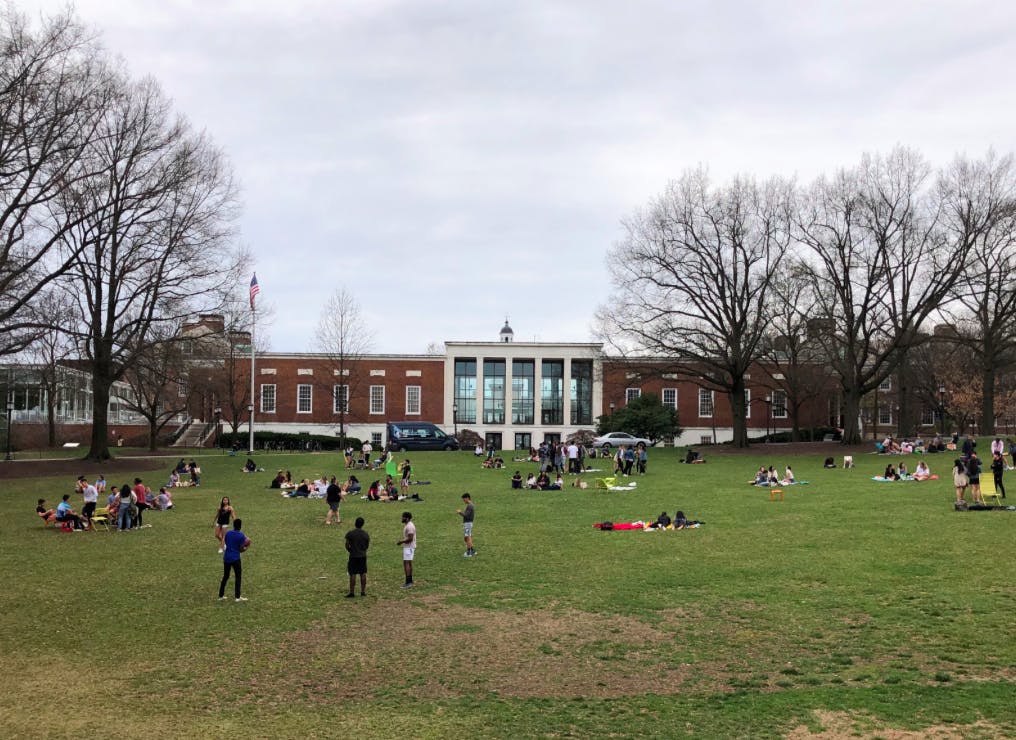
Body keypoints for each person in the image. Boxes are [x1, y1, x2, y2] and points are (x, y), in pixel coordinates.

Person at [218, 519, 250, 602]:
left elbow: (224, 542)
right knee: (238, 576)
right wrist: (247, 546)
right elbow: (241, 549)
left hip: (227, 558)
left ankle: (221, 595)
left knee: (225, 576)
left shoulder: (228, 533)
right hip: (235, 558)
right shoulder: (241, 536)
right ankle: (237, 597)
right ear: (240, 526)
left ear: (233, 525)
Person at [344, 516, 370, 598]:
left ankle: (352, 592)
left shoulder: (351, 533)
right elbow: (367, 545)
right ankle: (363, 591)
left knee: (353, 573)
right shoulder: (365, 534)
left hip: (353, 556)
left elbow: (347, 544)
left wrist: (350, 550)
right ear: (362, 524)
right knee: (363, 573)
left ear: (355, 523)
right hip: (362, 556)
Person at [397, 511, 416, 588]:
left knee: (406, 563)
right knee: (408, 563)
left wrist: (401, 542)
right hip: (409, 547)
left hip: (409, 547)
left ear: (407, 518)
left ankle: (408, 582)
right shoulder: (408, 525)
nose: (402, 518)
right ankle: (410, 580)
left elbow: (410, 538)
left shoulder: (409, 527)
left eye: (403, 517)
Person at [457, 493, 475, 557]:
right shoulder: (471, 505)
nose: (463, 501)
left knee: (467, 538)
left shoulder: (470, 506)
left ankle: (469, 552)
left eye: (464, 499)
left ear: (467, 498)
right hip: (468, 523)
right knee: (467, 537)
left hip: (468, 524)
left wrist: (460, 512)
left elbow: (466, 515)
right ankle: (472, 550)